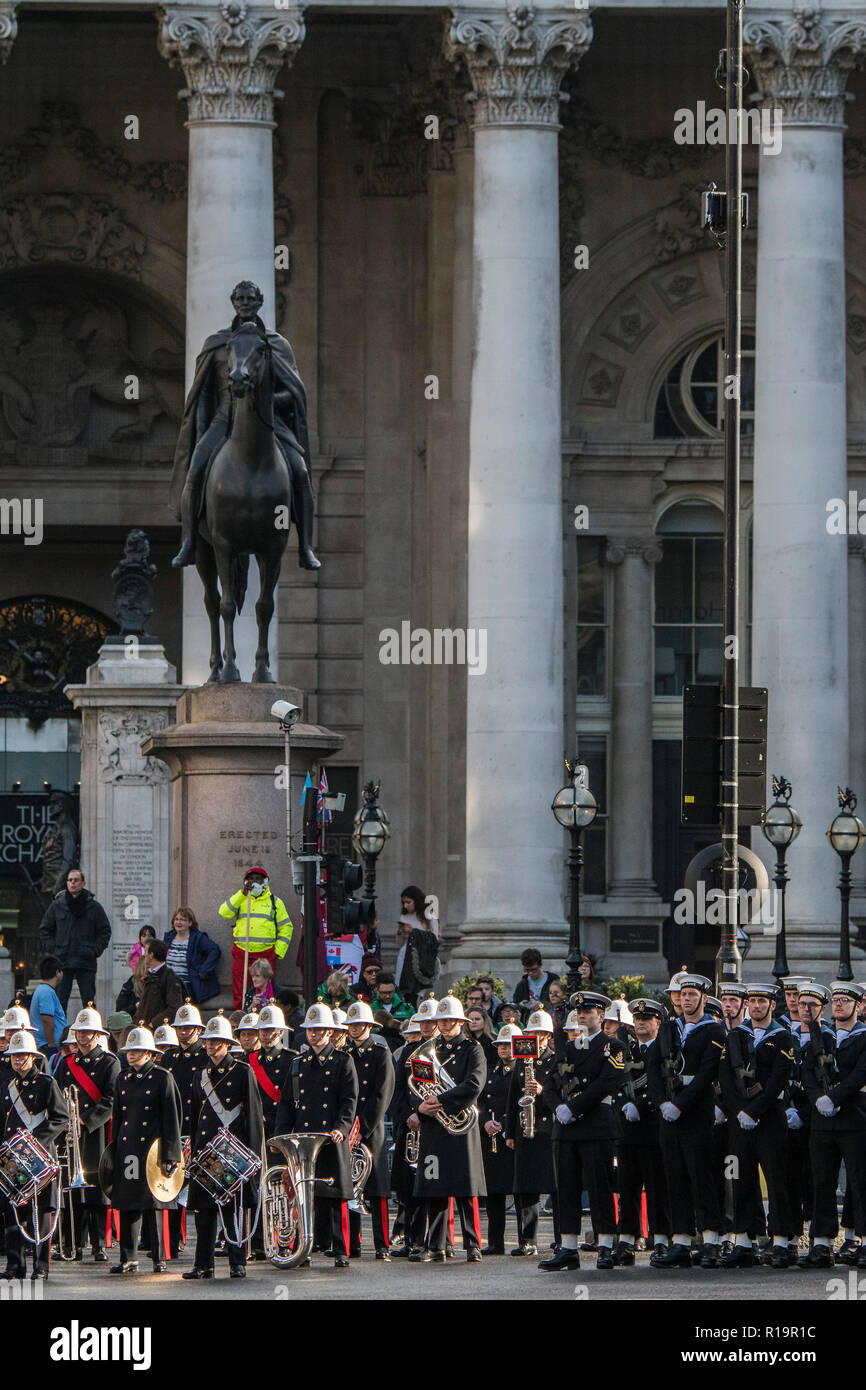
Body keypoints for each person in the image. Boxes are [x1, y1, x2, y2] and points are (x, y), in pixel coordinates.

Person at [170, 278, 319, 571]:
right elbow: (201, 394)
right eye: (240, 299)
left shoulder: (276, 345)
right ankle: (188, 542)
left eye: (251, 299)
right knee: (196, 468)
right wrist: (201, 433)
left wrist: (267, 401)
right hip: (223, 419)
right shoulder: (217, 343)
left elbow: (295, 391)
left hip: (270, 421)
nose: (245, 304)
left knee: (300, 472)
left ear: (260, 302)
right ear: (234, 303)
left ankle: (305, 546)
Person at [646, 973, 727, 1269]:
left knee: (701, 1176)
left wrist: (680, 1104)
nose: (687, 1000)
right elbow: (653, 1068)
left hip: (696, 1111)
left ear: (704, 999)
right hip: (669, 1113)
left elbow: (707, 1073)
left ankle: (710, 1241)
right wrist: (662, 1103)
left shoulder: (714, 1032)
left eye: (693, 995)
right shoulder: (668, 1029)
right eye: (683, 995)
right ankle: (680, 1240)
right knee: (674, 1176)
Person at [539, 990, 623, 1272]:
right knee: (566, 1191)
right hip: (565, 1130)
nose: (583, 1015)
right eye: (580, 1012)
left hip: (595, 1127)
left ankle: (606, 1245)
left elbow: (605, 1084)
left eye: (589, 1012)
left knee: (600, 1189)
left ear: (601, 1016)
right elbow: (550, 1086)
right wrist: (557, 1108)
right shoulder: (568, 1049)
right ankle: (569, 1247)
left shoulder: (613, 1047)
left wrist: (573, 1108)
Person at [716, 982, 796, 1269]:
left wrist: (754, 1110)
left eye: (763, 1001)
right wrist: (739, 1111)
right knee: (740, 1180)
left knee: (776, 1182)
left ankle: (781, 1242)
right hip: (740, 1122)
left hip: (769, 1119)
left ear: (772, 1005)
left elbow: (778, 1080)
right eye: (753, 1001)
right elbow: (725, 1076)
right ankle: (744, 1241)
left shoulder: (783, 1037)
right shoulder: (736, 1035)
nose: (757, 1006)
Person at [273, 1004, 359, 1269]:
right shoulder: (298, 1064)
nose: (314, 1034)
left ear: (330, 1032)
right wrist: (281, 1137)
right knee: (304, 1197)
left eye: (319, 1029)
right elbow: (287, 1103)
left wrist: (341, 1128)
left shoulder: (343, 1061)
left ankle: (341, 1249)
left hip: (330, 1138)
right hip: (303, 1138)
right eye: (311, 1030)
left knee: (336, 1197)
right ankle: (305, 1248)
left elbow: (349, 1101)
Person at [183, 1013, 264, 1280]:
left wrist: (251, 1157)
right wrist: (194, 1152)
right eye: (207, 1040)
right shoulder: (200, 1075)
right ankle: (203, 1264)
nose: (209, 1045)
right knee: (204, 1210)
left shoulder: (242, 1072)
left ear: (227, 1043)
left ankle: (236, 1261)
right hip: (207, 1151)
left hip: (232, 1152)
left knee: (232, 1209)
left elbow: (253, 1116)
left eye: (216, 1041)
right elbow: (195, 1118)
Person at [409, 993, 486, 1263]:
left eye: (450, 1019)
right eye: (441, 1020)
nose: (444, 1024)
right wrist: (420, 1107)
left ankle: (473, 1245)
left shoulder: (472, 1049)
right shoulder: (427, 1049)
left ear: (460, 1022)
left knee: (467, 1189)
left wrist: (440, 1100)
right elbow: (415, 1085)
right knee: (435, 1188)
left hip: (461, 1126)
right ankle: (436, 1245)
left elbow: (474, 1084)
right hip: (435, 1127)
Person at [103, 1026, 183, 1273]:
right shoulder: (123, 1079)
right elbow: (118, 1116)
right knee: (127, 1203)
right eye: (129, 1050)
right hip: (128, 1150)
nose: (131, 1054)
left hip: (152, 1150)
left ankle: (159, 1257)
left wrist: (172, 1154)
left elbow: (172, 1118)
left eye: (137, 1051)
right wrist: (114, 1150)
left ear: (149, 1053)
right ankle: (128, 1257)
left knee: (153, 1205)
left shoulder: (162, 1077)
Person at [799, 981, 866, 1269]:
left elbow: (861, 1073)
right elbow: (808, 1071)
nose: (838, 1005)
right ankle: (822, 1244)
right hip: (823, 1122)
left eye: (844, 1000)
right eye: (835, 1000)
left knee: (860, 1183)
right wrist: (819, 1100)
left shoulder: (863, 1037)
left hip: (854, 1119)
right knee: (822, 1182)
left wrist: (836, 1097)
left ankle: (862, 1241)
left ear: (857, 1006)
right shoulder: (821, 1036)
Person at [52, 1004, 119, 1263]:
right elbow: (58, 1095)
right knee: (72, 1191)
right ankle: (72, 1244)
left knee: (97, 1191)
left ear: (96, 1034)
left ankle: (99, 1244)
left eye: (87, 1032)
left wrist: (85, 1119)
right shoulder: (67, 1063)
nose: (81, 1036)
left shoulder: (109, 1063)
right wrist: (65, 1119)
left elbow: (111, 1099)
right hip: (70, 1135)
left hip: (96, 1133)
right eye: (79, 1032)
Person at [0, 1030, 67, 1279]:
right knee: (12, 1210)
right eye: (14, 1057)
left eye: (22, 1056)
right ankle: (15, 1265)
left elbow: (61, 1118)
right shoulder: (9, 1086)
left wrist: (33, 1143)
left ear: (32, 1057)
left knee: (41, 1213)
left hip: (38, 1157)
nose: (18, 1061)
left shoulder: (47, 1084)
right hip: (13, 1160)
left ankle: (41, 1267)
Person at [614, 997, 669, 1265]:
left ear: (657, 1022)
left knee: (658, 1189)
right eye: (637, 1020)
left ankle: (660, 1240)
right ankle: (626, 1239)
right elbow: (617, 1081)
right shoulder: (626, 1051)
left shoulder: (664, 1050)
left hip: (654, 1128)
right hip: (628, 1131)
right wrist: (625, 1104)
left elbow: (664, 1085)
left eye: (646, 1020)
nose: (641, 1024)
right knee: (628, 1188)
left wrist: (643, 1106)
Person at [506, 1009, 559, 1258]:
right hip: (524, 1128)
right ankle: (527, 1240)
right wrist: (510, 1132)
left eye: (540, 1033)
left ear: (548, 1035)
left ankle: (561, 1238)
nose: (535, 1037)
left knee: (555, 1186)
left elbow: (561, 1095)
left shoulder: (555, 1060)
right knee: (524, 1187)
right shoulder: (521, 1059)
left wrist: (542, 1090)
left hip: (547, 1128)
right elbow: (511, 1098)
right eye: (532, 1032)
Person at [345, 1000, 395, 1259]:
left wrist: (362, 1127)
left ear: (369, 1026)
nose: (355, 1029)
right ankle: (352, 1243)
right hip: (347, 1125)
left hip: (370, 1128)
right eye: (352, 1025)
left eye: (360, 1025)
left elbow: (381, 1094)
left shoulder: (380, 1052)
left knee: (377, 1189)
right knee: (350, 1186)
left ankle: (382, 1244)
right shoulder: (344, 1053)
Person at [159, 1000, 206, 1260]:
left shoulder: (204, 1056)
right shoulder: (169, 1057)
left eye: (189, 1028)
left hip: (197, 1129)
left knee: (197, 1192)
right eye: (180, 1028)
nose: (183, 1032)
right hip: (175, 1131)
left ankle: (202, 1244)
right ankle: (173, 1241)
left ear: (198, 1030)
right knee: (173, 1189)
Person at [38, 868, 111, 1014]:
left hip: (86, 961)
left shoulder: (94, 907)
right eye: (70, 880)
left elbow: (105, 931)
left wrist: (94, 950)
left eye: (76, 880)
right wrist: (53, 949)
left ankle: (92, 1032)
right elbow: (45, 929)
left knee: (89, 1003)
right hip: (62, 961)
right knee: (60, 1002)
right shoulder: (57, 906)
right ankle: (60, 1035)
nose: (72, 883)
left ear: (83, 883)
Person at [219, 867, 294, 1009]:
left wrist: (277, 951)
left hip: (265, 954)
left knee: (266, 991)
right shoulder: (241, 899)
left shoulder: (275, 902)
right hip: (243, 953)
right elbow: (224, 912)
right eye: (251, 879)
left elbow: (286, 927)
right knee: (240, 990)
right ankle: (241, 1019)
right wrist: (242, 894)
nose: (254, 882)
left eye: (258, 879)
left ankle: (265, 1019)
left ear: (265, 882)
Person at [479, 1023, 520, 1255]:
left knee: (519, 1192)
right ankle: (496, 1241)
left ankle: (526, 1240)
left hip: (511, 1136)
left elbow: (519, 1103)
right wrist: (485, 1120)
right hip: (491, 1136)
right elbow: (482, 1101)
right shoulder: (492, 1071)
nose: (503, 1049)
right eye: (501, 1045)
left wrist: (505, 1124)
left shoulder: (522, 1070)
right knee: (494, 1193)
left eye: (508, 1045)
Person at [163, 908, 221, 1005]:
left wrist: (203, 970)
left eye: (183, 919)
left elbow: (214, 951)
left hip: (186, 987)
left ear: (190, 923)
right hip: (168, 985)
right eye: (176, 919)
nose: (178, 922)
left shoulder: (197, 938)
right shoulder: (169, 937)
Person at [396, 885, 439, 1006]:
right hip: (405, 956)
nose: (406, 906)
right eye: (403, 902)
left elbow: (434, 939)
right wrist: (400, 932)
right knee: (403, 989)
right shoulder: (404, 916)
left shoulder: (428, 916)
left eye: (408, 902)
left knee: (416, 992)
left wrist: (413, 931)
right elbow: (399, 944)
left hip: (421, 958)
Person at [133, 939, 185, 1030]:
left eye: (145, 952)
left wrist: (153, 1023)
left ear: (151, 955)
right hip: (144, 1030)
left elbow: (175, 1007)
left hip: (158, 1033)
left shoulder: (170, 978)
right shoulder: (151, 975)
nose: (144, 955)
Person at [30, 956, 67, 1059]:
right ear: (57, 972)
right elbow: (47, 1019)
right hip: (47, 1046)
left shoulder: (44, 990)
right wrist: (51, 1044)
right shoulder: (46, 992)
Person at [371, 972, 413, 1053]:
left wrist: (400, 1027)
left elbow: (415, 1031)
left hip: (401, 1051)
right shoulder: (370, 1009)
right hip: (376, 1050)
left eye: (390, 992)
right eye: (383, 993)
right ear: (377, 990)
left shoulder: (407, 1008)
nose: (387, 996)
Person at [513, 949, 560, 1016]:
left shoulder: (553, 980)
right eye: (527, 970)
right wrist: (520, 1004)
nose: (530, 973)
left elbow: (559, 1000)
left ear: (540, 965)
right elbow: (515, 1004)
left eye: (534, 970)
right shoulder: (523, 983)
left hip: (549, 1018)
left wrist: (542, 1004)